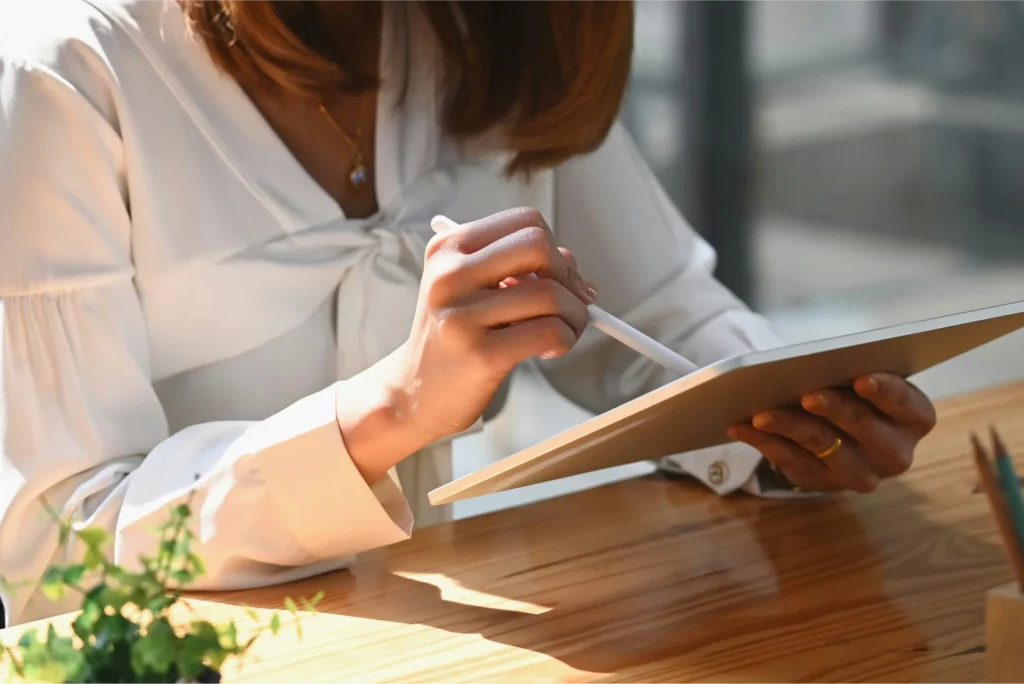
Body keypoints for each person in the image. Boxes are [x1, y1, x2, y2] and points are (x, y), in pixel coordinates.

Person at [0, 0, 937, 627]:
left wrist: (795, 426)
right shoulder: (65, 75)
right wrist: (390, 410)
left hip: (441, 643)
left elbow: (662, 315)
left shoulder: (487, 31)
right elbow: (56, 554)